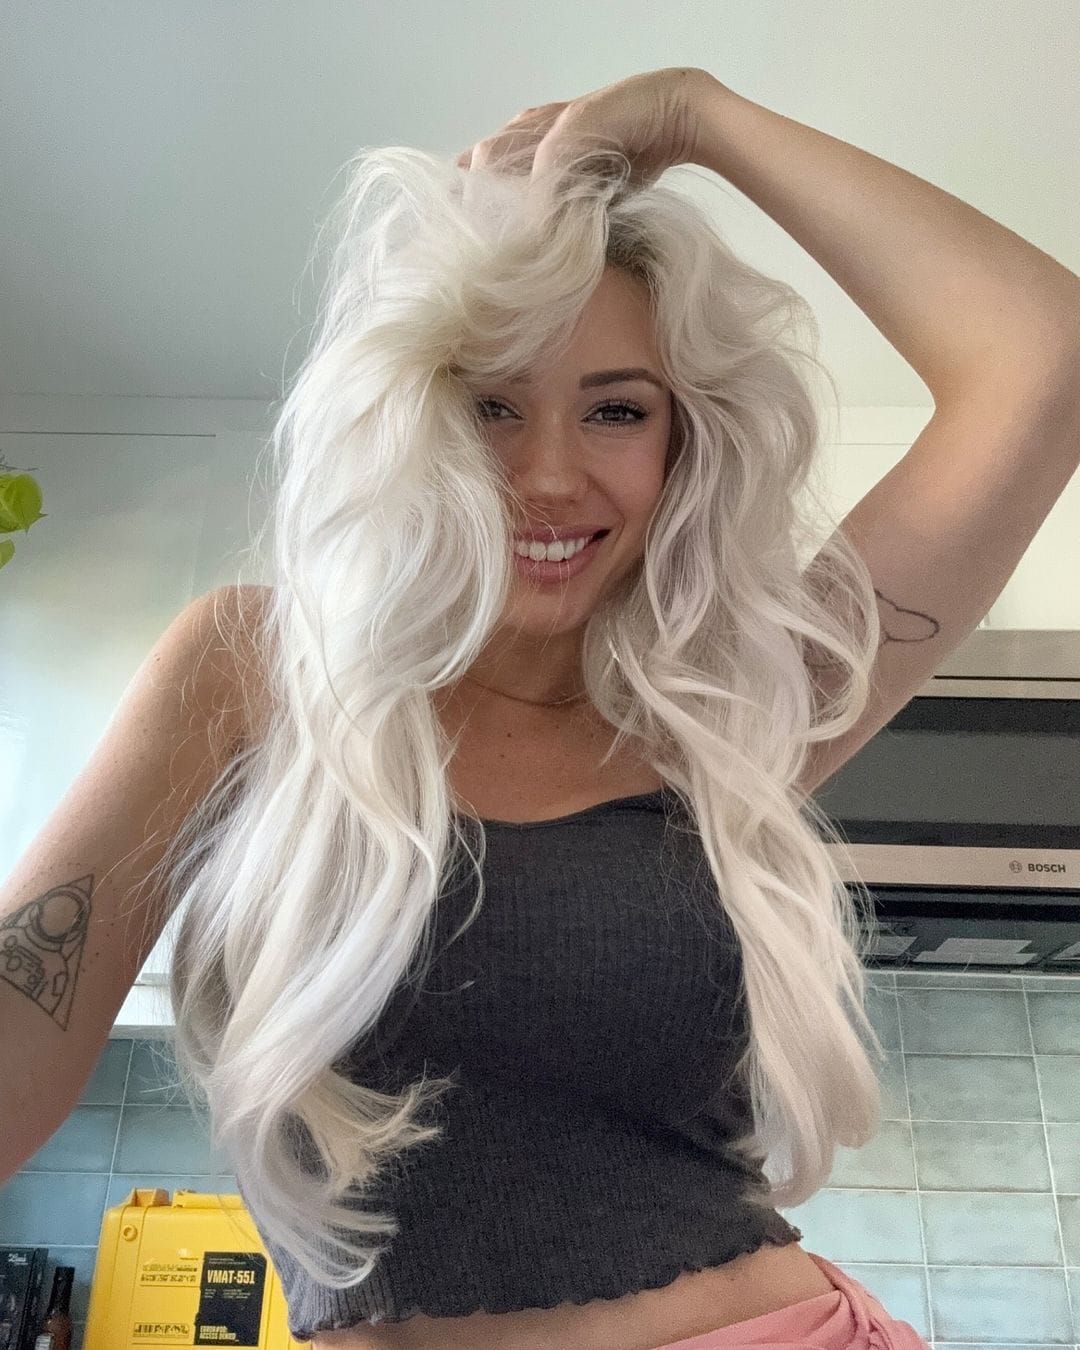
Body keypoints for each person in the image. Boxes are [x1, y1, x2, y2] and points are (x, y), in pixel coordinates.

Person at [4, 67, 1078, 1350]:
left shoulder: (737, 707)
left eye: (616, 409)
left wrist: (697, 116)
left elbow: (1044, 358)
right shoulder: (257, 672)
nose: (550, 475)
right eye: (489, 403)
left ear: (682, 445)